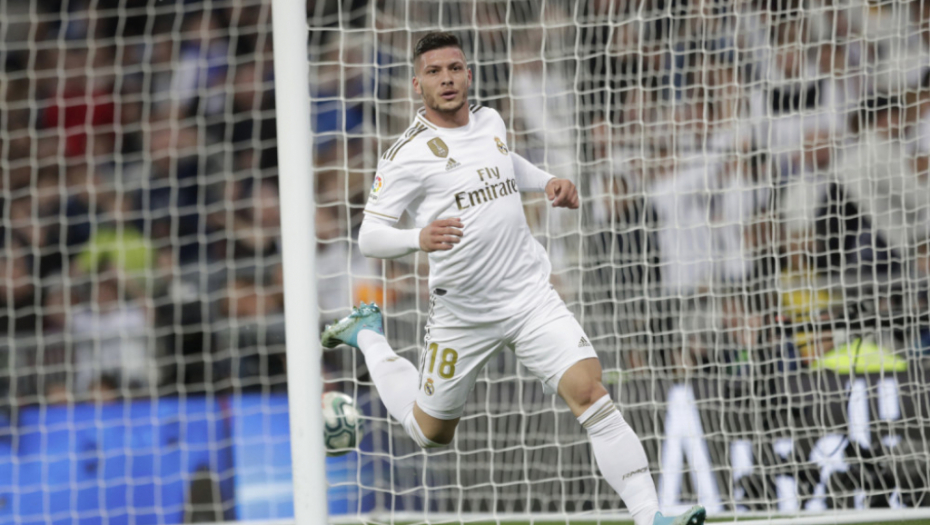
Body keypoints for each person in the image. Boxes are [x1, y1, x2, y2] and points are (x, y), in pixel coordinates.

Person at [320, 32, 705, 525]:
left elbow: (504, 161)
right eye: (434, 72)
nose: (446, 79)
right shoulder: (405, 155)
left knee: (590, 392)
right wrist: (419, 237)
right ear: (418, 85)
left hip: (529, 297)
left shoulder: (490, 120)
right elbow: (370, 237)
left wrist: (546, 181)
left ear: (468, 74)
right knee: (430, 434)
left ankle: (651, 516)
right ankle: (369, 336)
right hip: (463, 313)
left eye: (454, 68)